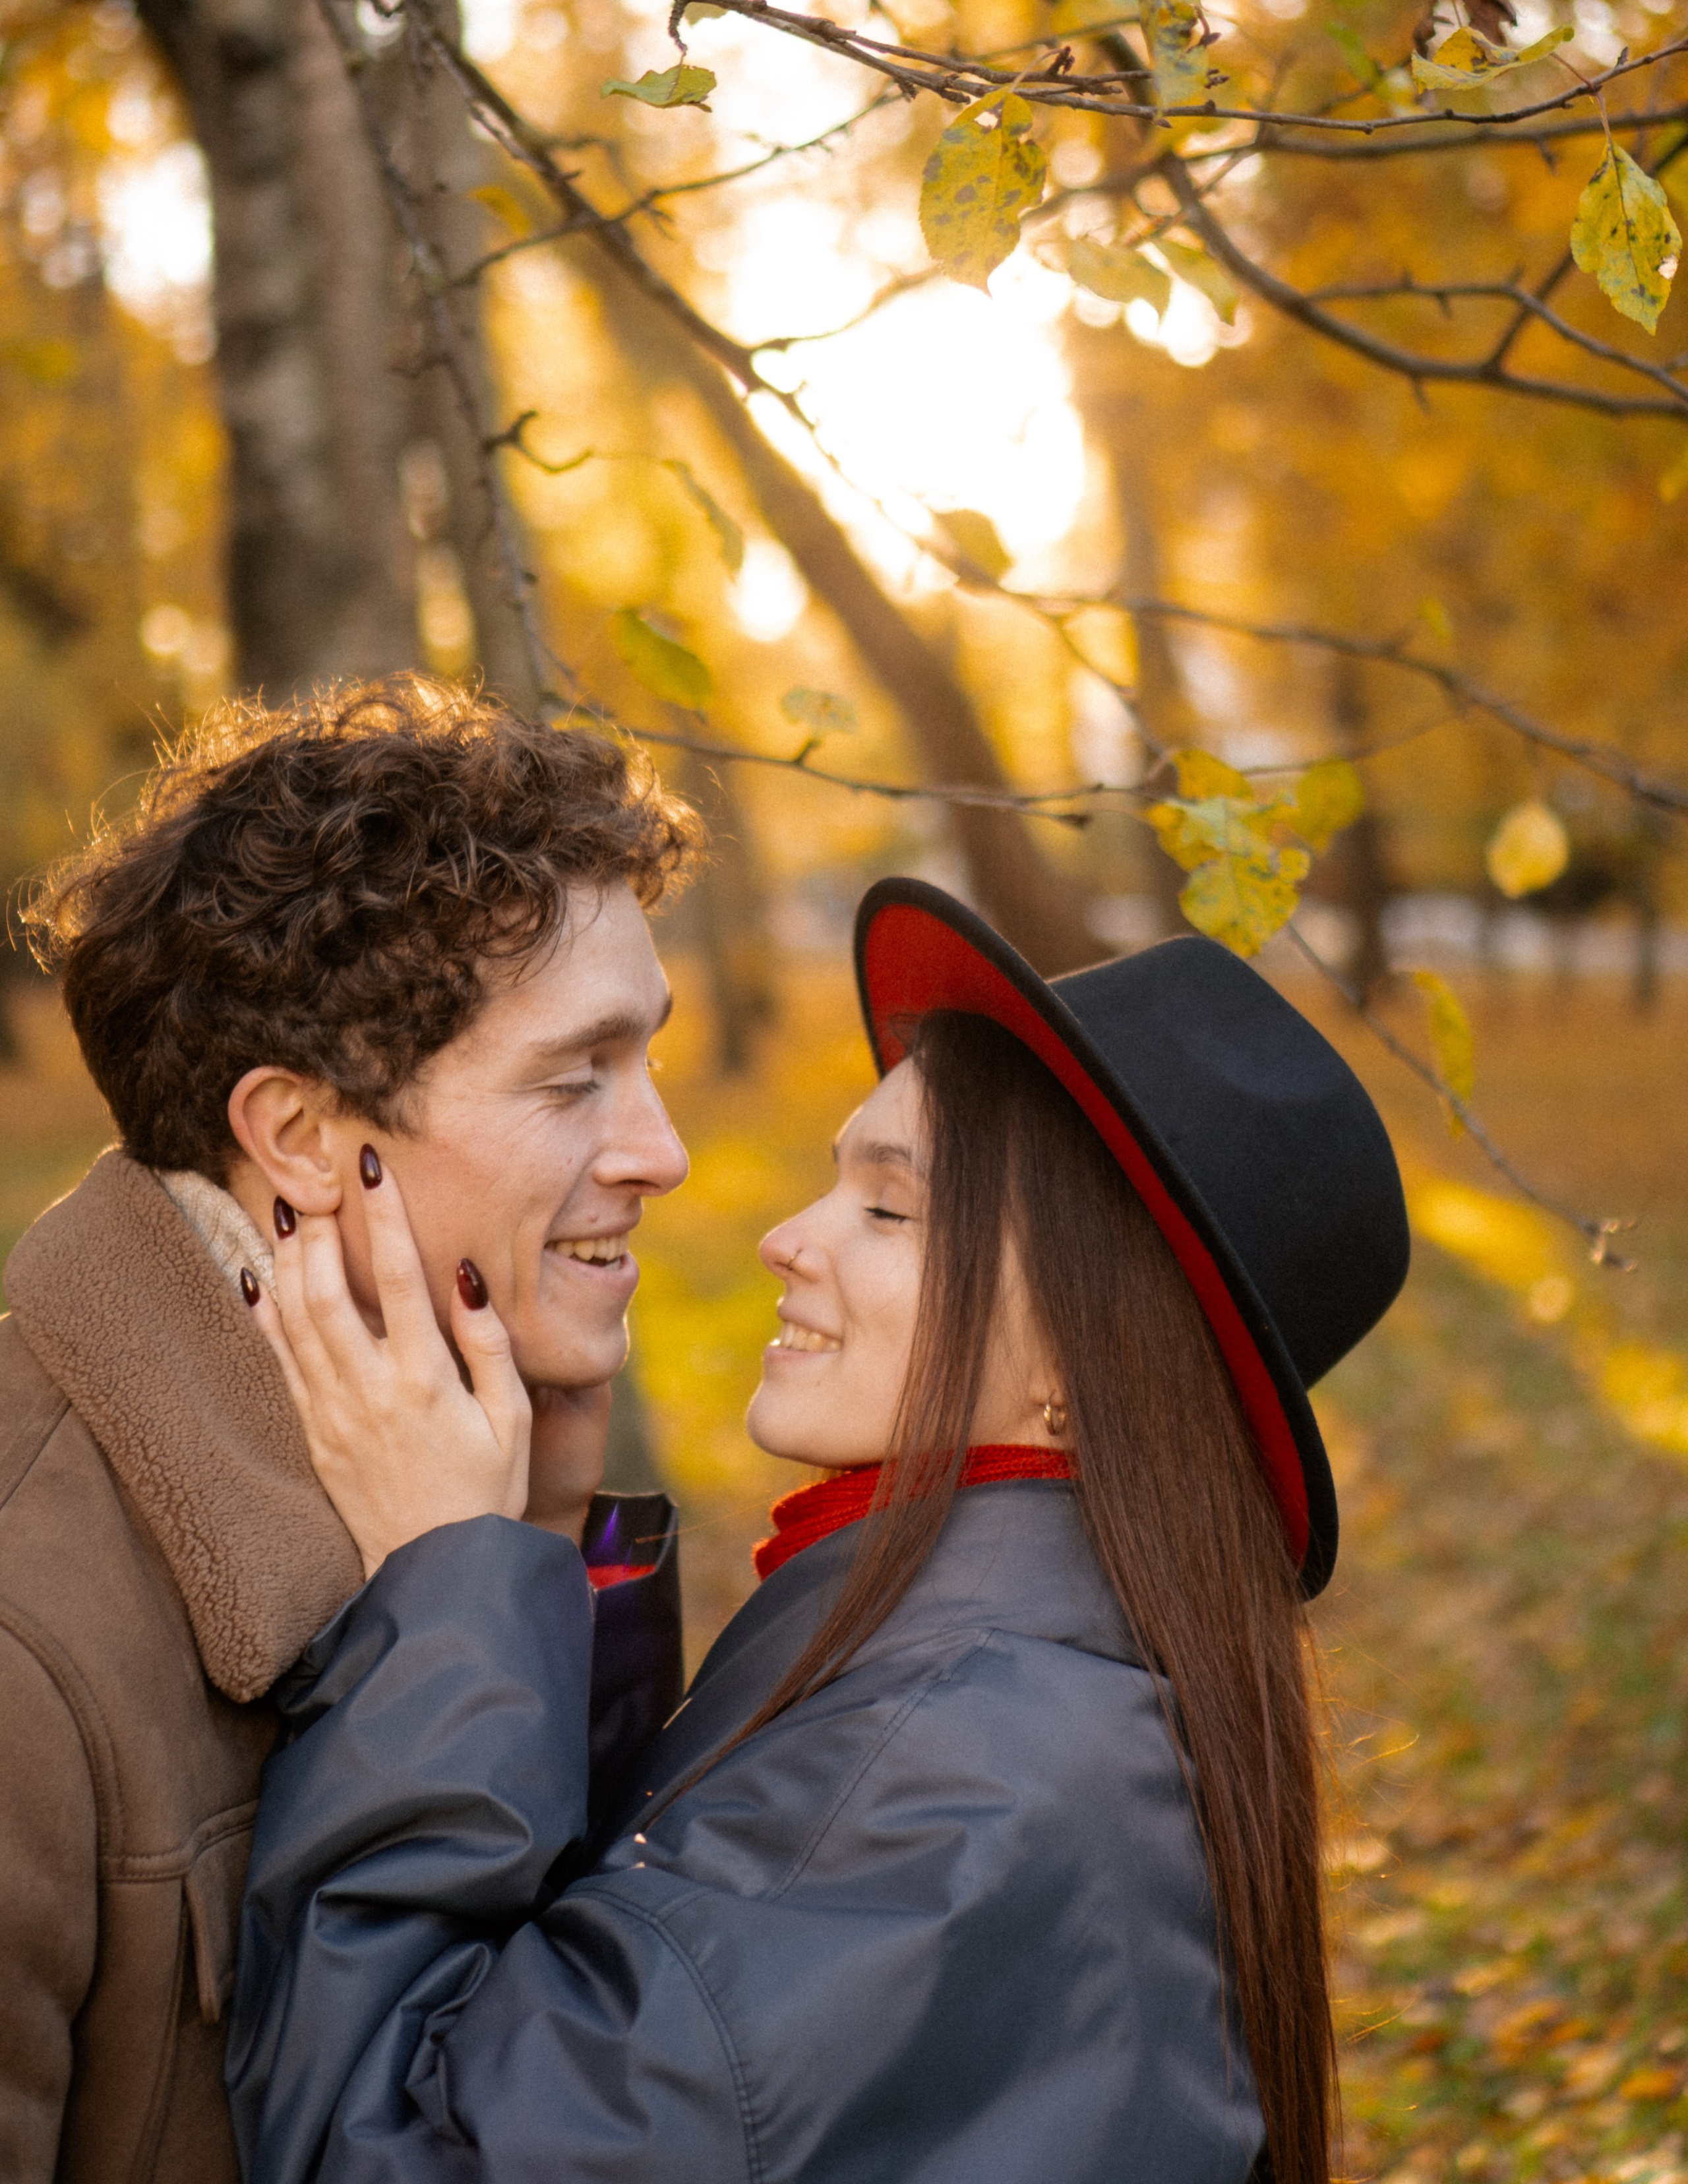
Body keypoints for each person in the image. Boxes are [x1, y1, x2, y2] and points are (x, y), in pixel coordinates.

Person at [229, 876, 1411, 2184]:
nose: (786, 1239)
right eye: (833, 1183)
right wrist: (546, 1545)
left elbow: (394, 2151)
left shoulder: (946, 1776)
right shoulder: (1006, 1677)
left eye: (890, 1210)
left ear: (1086, 1367)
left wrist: (443, 1597)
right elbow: (638, 1990)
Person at [0, 679, 700, 2183]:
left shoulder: (483, 1476)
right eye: (574, 1080)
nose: (665, 1154)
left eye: (647, 1062)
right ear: (304, 1140)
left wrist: (529, 1563)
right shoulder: (25, 1647)